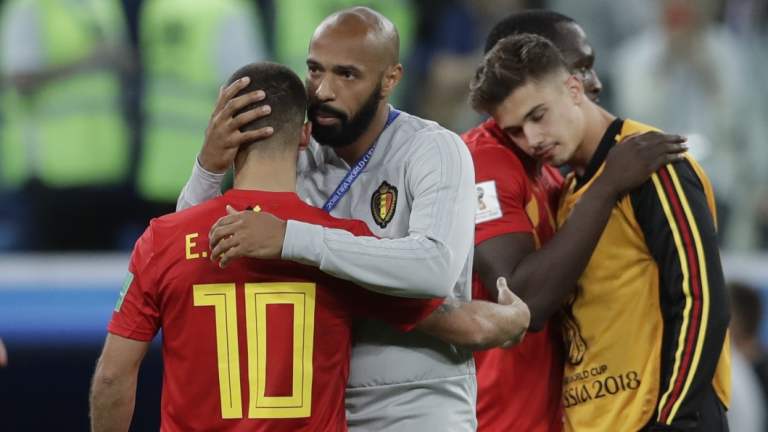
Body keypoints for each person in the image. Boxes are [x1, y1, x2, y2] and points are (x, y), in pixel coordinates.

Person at [90, 62, 530, 432]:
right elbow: (465, 326)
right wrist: (514, 316)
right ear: (304, 136)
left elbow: (112, 378)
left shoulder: (163, 240)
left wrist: (206, 168)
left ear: (223, 132)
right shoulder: (339, 246)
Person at [178, 8, 480, 430]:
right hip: (314, 404)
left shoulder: (433, 150)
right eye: (315, 70)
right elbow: (185, 253)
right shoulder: (294, 152)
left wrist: (291, 240)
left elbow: (434, 268)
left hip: (413, 406)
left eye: (347, 75)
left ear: (390, 79)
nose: (322, 90)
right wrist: (209, 168)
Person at [469, 33, 731, 431]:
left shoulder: (653, 164)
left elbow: (701, 299)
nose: (532, 139)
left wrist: (674, 417)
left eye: (538, 116)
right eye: (516, 131)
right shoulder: (568, 194)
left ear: (574, 89)